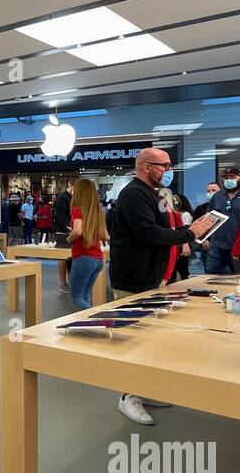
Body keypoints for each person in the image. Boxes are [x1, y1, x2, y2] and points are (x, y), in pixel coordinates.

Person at [108, 148, 215, 424]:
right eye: (164, 166)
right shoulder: (133, 195)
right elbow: (149, 233)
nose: (168, 171)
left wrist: (186, 233)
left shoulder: (156, 195)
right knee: (134, 339)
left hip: (155, 277)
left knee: (151, 339)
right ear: (146, 167)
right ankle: (127, 395)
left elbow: (165, 227)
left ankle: (142, 388)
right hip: (134, 279)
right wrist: (190, 234)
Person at [204, 168, 240, 273]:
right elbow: (209, 217)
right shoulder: (217, 196)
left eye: (232, 177)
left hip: (239, 246)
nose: (229, 180)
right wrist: (205, 238)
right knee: (210, 276)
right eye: (227, 178)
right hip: (217, 246)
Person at [67, 177, 107, 310]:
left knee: (76, 296)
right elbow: (104, 236)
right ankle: (88, 326)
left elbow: (77, 231)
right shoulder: (97, 211)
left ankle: (95, 319)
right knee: (84, 295)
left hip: (83, 257)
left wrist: (69, 238)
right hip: (98, 259)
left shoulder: (77, 209)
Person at [53, 186, 73, 291]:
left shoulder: (71, 197)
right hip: (63, 231)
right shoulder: (62, 197)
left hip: (71, 230)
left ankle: (71, 282)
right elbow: (60, 215)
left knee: (70, 257)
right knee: (63, 257)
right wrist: (66, 228)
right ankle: (63, 283)